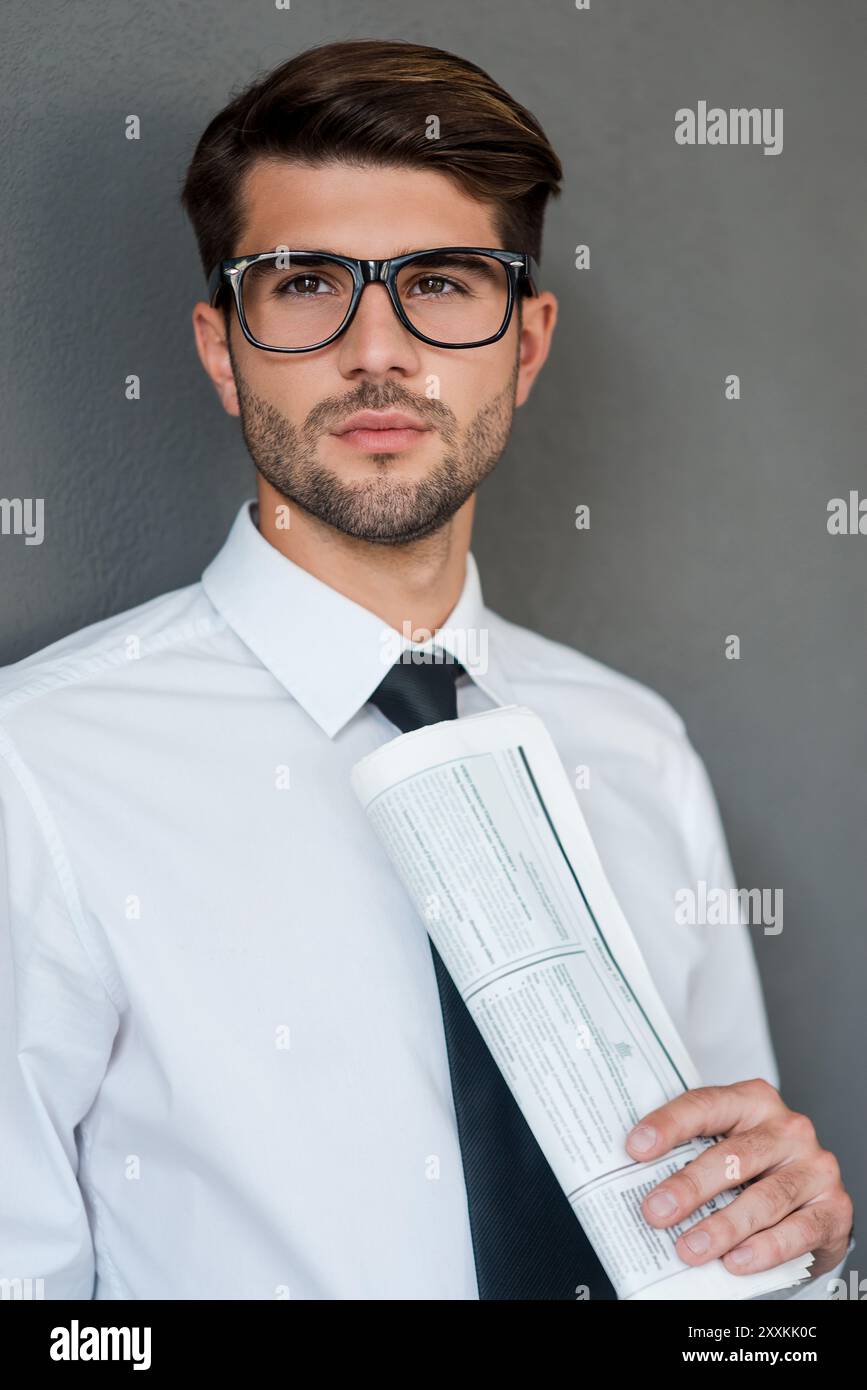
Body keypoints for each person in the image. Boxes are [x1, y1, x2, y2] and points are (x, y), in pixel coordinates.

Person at [0, 38, 853, 1301]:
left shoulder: (638, 750)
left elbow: (725, 1270)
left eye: (444, 284)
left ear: (527, 342)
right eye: (304, 283)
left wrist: (804, 1274)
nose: (380, 351)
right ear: (222, 347)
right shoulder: (39, 768)